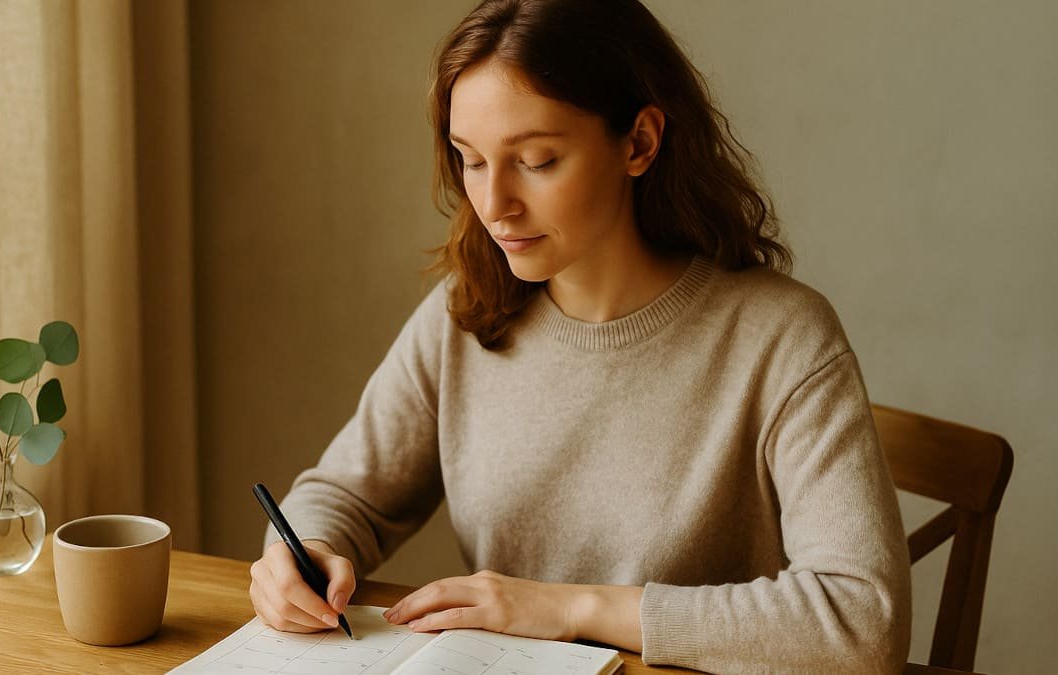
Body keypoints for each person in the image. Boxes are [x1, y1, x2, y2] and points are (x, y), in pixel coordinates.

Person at [248, 0, 911, 671]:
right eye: (469, 160)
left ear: (639, 143)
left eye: (535, 160)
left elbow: (861, 622)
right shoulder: (467, 312)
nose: (494, 203)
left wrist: (568, 609)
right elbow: (345, 493)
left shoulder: (781, 336)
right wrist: (300, 552)